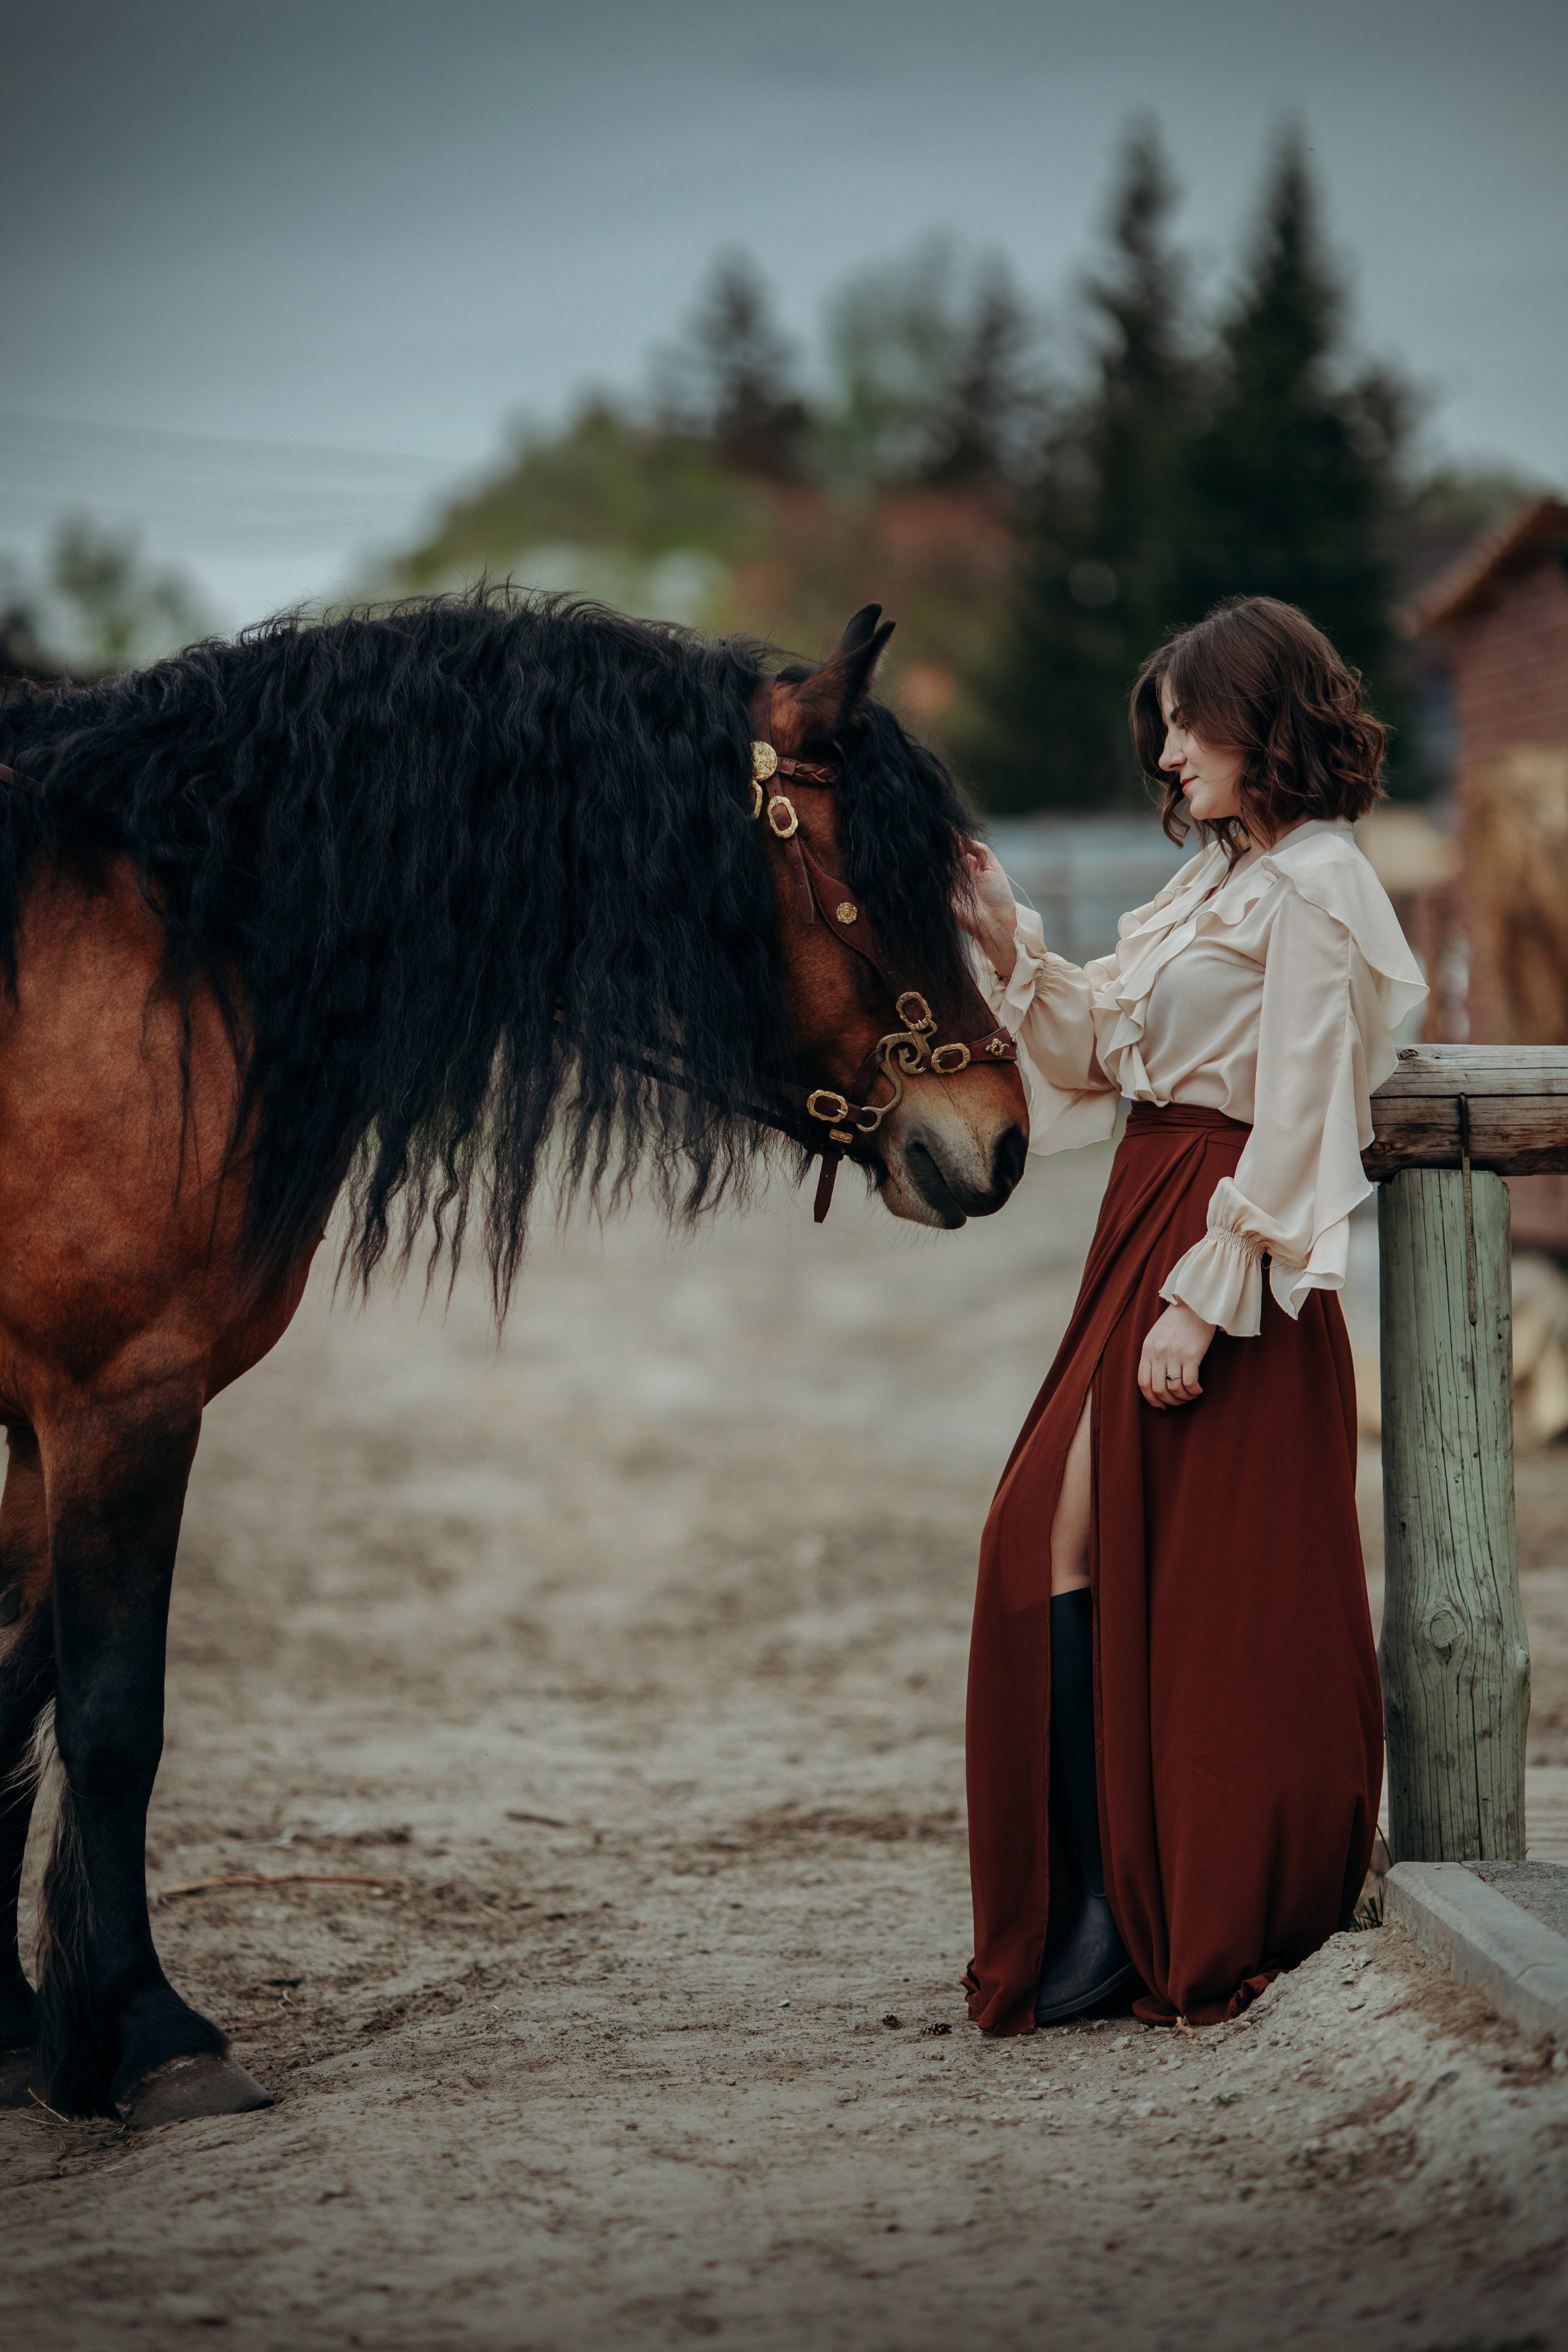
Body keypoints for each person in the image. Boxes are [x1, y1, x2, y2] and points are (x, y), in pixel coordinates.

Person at [957, 597, 1427, 2032]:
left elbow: (1298, 1112)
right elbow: (1109, 1045)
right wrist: (1008, 940)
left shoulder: (1316, 885)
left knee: (1175, 1570)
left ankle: (1172, 1901)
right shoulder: (1215, 884)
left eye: (1183, 723)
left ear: (1258, 717)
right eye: (1157, 729)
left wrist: (1205, 1300)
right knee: (1046, 1532)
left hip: (1225, 1245)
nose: (1164, 755)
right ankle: (1100, 1897)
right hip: (1147, 1215)